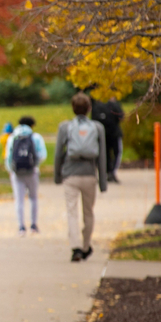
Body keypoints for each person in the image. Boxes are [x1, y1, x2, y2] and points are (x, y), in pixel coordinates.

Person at [55, 93, 109, 262]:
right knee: (88, 212)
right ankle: (86, 246)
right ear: (89, 109)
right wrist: (102, 181)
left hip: (70, 175)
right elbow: (102, 157)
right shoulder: (97, 127)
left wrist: (57, 175)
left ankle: (75, 246)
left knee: (72, 212)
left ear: (73, 109)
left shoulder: (65, 127)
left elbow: (58, 154)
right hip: (89, 175)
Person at [5, 114, 47, 236]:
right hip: (32, 172)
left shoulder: (12, 137)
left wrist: (10, 169)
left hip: (17, 173)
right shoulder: (36, 137)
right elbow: (42, 155)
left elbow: (8, 156)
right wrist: (34, 163)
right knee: (33, 198)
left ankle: (21, 227)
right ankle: (33, 225)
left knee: (19, 200)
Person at [91, 96, 124, 183]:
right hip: (113, 134)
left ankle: (108, 172)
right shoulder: (114, 105)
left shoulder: (97, 106)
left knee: (105, 154)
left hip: (104, 135)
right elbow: (121, 116)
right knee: (115, 153)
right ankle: (111, 171)